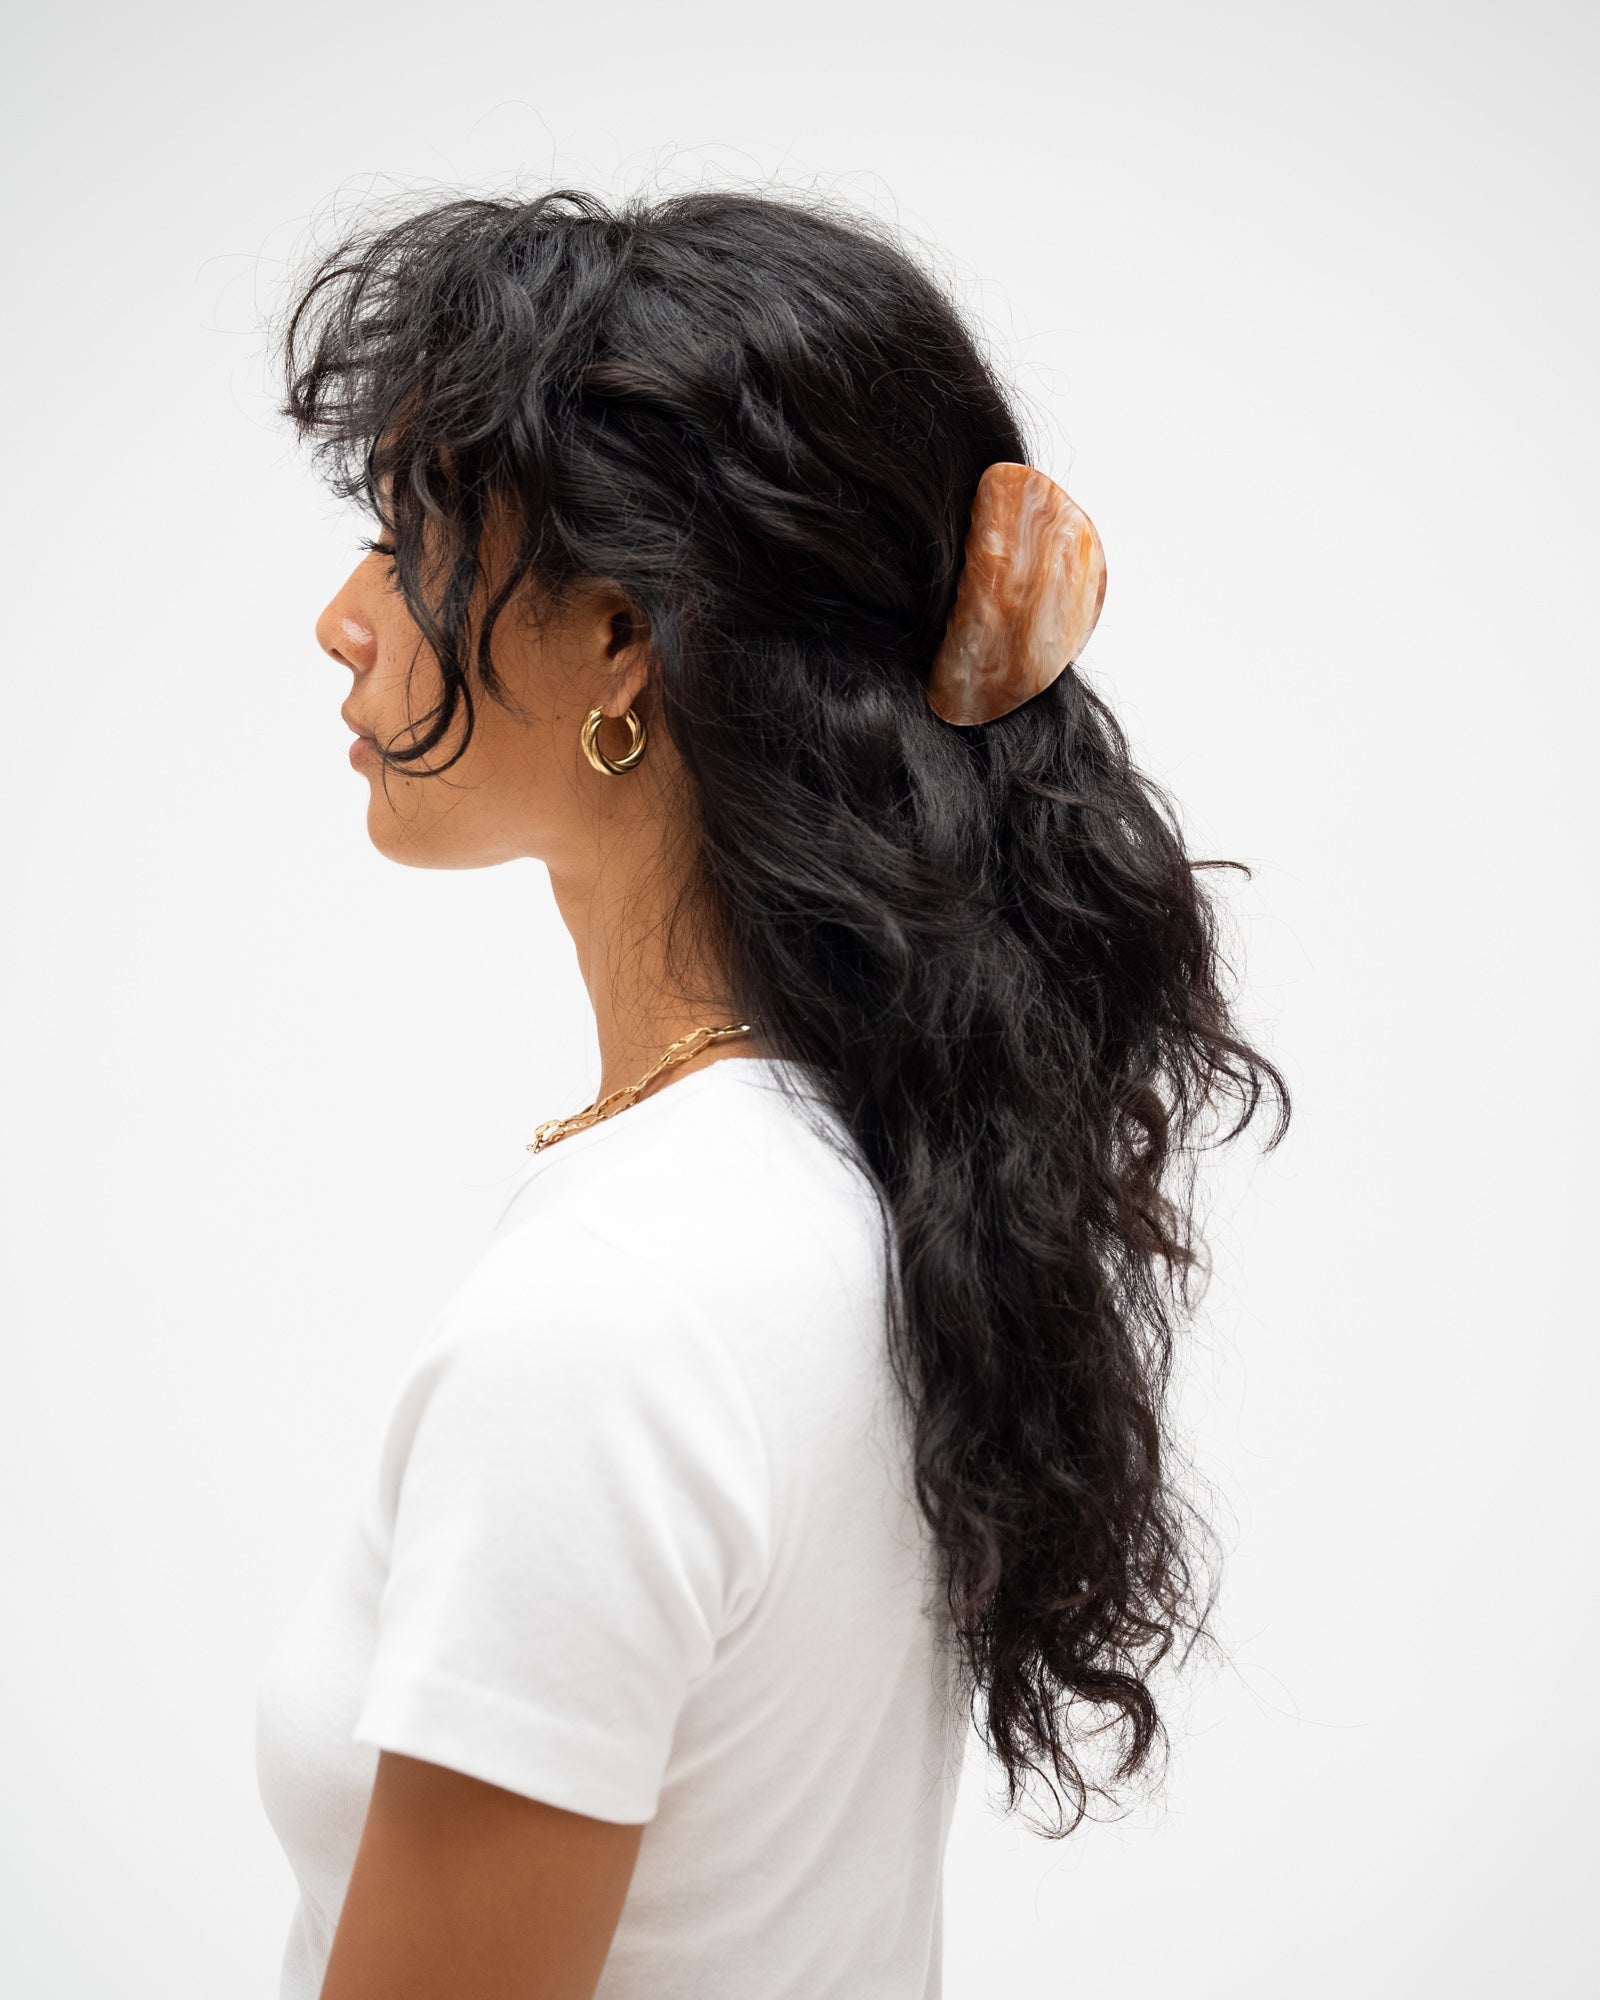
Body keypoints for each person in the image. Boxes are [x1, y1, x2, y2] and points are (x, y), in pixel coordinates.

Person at [253, 184, 1289, 2000]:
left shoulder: (616, 1317)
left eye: (411, 539)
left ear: (624, 637)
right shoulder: (856, 1184)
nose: (343, 621)